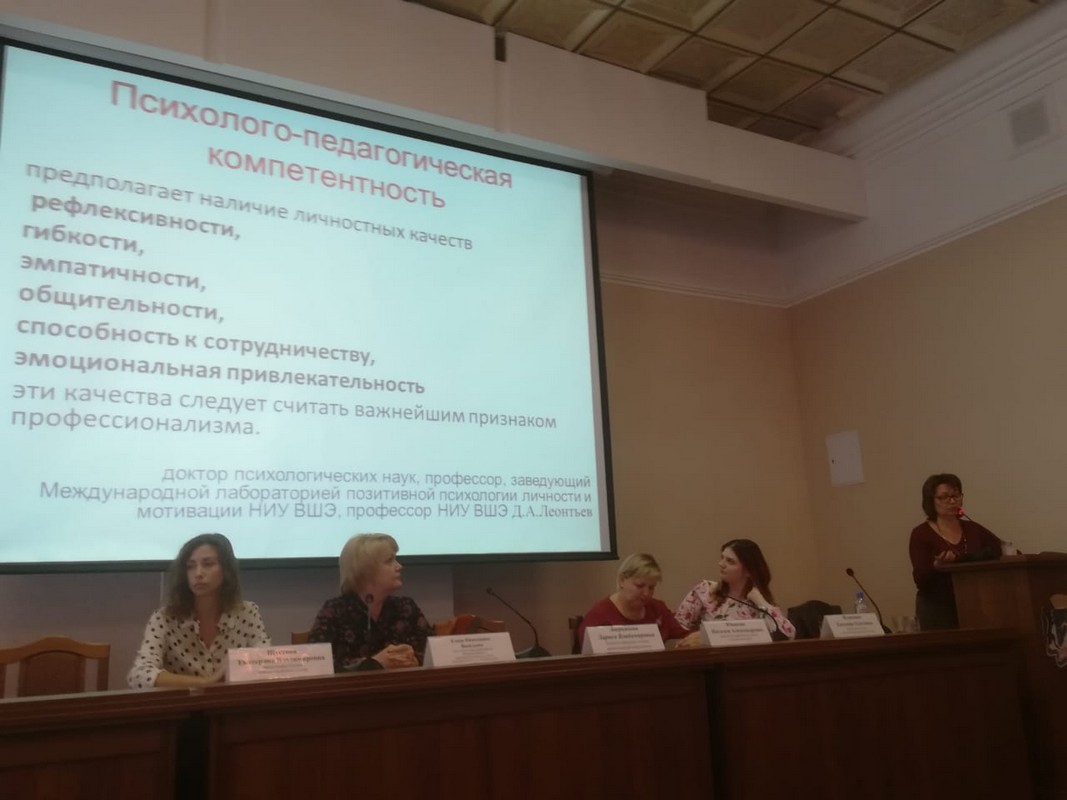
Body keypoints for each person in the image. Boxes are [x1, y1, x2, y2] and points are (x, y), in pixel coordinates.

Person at [127, 533, 270, 688]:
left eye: (208, 564)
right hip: (185, 702)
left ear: (226, 570)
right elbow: (139, 675)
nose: (198, 573)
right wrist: (207, 683)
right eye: (190, 566)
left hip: (233, 701)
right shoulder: (164, 618)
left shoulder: (247, 612)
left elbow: (266, 665)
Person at [309, 533, 431, 671]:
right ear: (365, 569)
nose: (399, 566)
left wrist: (414, 659)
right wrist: (374, 663)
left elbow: (433, 654)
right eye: (389, 561)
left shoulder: (406, 607)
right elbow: (315, 664)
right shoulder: (335, 610)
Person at [909, 473, 1001, 631]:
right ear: (931, 501)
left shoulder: (973, 529)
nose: (952, 502)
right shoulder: (921, 534)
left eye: (956, 496)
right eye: (944, 497)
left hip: (976, 604)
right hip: (938, 608)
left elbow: (1002, 549)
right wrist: (937, 566)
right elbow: (920, 578)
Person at [674, 539, 795, 645]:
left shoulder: (758, 604)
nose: (721, 564)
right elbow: (676, 630)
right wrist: (699, 637)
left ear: (748, 571)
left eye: (730, 561)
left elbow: (789, 635)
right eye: (722, 558)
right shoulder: (705, 591)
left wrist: (761, 602)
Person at [577, 553, 691, 650]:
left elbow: (684, 634)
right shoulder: (599, 616)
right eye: (640, 586)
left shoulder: (658, 609)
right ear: (621, 580)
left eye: (651, 587)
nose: (646, 593)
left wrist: (697, 637)